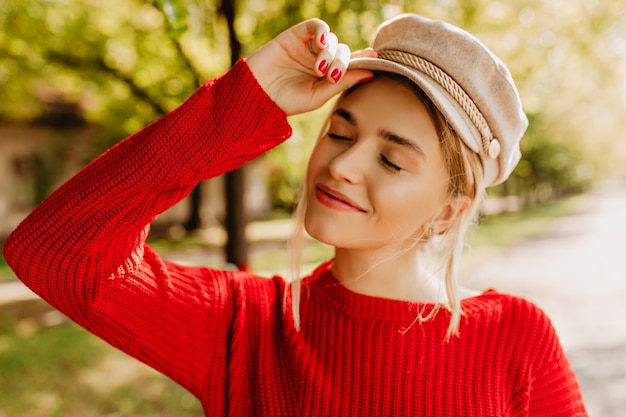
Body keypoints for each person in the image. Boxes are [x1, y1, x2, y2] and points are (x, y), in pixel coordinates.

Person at [3, 13, 587, 416]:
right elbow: (56, 251)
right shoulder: (246, 327)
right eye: (339, 131)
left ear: (446, 213)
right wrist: (246, 97)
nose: (343, 165)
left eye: (390, 158)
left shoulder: (515, 338)